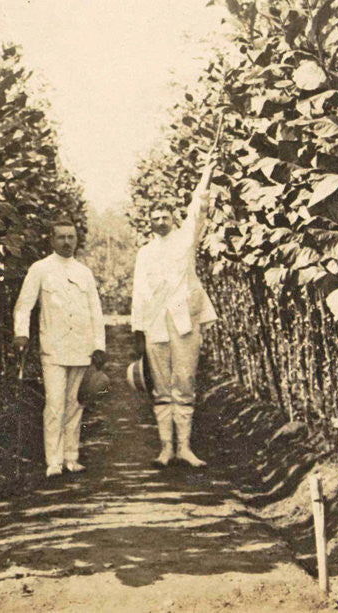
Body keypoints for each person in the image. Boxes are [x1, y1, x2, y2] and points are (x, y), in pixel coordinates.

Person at [131, 157, 217, 467]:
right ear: (150, 222)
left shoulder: (185, 242)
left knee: (185, 382)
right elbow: (139, 293)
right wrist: (138, 333)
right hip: (155, 325)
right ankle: (166, 448)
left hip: (184, 322)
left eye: (166, 216)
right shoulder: (145, 254)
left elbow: (198, 208)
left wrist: (206, 172)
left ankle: (185, 447)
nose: (161, 221)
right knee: (161, 387)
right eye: (156, 217)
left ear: (173, 219)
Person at [13, 217, 107, 477]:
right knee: (54, 405)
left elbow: (95, 312)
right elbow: (24, 305)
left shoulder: (83, 272)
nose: (67, 242)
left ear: (77, 240)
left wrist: (99, 345)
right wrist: (21, 333)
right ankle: (53, 462)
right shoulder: (40, 269)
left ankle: (71, 457)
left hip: (81, 347)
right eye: (62, 237)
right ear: (52, 240)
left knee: (75, 404)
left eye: (71, 237)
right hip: (53, 347)